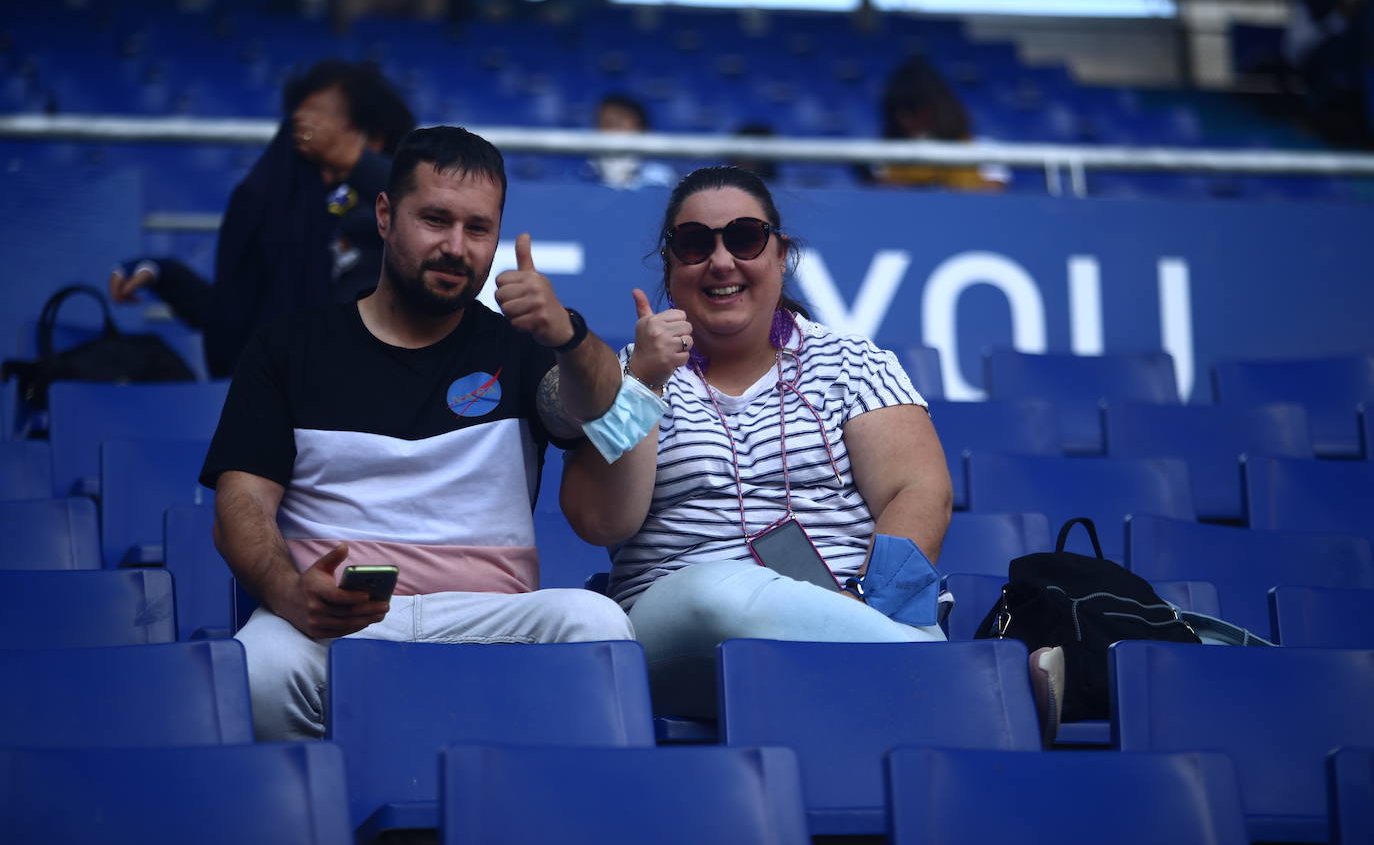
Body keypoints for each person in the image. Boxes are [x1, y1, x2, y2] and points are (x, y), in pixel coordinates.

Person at [199, 125, 633, 740]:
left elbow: (597, 408)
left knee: (598, 624)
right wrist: (288, 591)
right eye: (435, 220)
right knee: (258, 669)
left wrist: (566, 335)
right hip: (338, 621)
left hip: (491, 618)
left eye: (478, 229)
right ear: (384, 214)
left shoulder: (528, 344)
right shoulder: (287, 346)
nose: (456, 247)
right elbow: (239, 505)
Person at [559, 165, 960, 719]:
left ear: (780, 254)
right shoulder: (626, 374)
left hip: (864, 606)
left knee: (884, 620)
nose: (721, 261)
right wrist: (643, 385)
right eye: (695, 244)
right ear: (671, 265)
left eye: (744, 238)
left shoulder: (853, 362)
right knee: (719, 592)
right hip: (686, 627)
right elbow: (598, 522)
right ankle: (954, 687)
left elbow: (919, 492)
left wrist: (866, 601)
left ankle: (901, 669)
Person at [110, 60, 416, 378]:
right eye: (300, 121)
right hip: (278, 395)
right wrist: (161, 273)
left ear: (373, 136)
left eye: (322, 120)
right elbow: (236, 317)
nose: (305, 129)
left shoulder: (387, 212)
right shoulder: (288, 213)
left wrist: (354, 161)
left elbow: (417, 201)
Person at [860, 55, 1008, 191]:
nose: (904, 120)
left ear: (937, 107)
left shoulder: (984, 153)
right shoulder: (884, 159)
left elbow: (990, 205)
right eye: (897, 111)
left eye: (912, 109)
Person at [1284, 0, 1374, 145]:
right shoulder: (1309, 4)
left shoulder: (1369, 0)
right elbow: (1295, 53)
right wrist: (1337, 19)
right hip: (1330, 102)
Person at [587, 93, 675, 190]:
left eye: (618, 123)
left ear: (641, 128)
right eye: (605, 124)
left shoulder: (660, 176)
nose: (611, 131)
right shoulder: (585, 172)